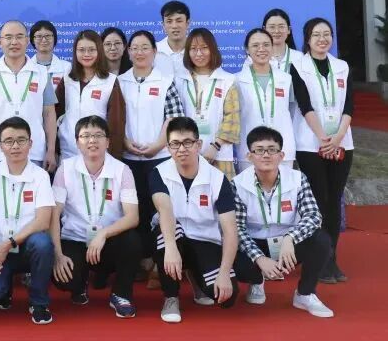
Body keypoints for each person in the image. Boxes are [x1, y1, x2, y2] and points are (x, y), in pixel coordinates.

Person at [232, 126, 333, 317]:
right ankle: (256, 281)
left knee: (322, 241)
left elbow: (313, 216)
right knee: (233, 258)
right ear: (249, 156)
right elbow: (237, 229)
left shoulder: (297, 178)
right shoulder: (238, 184)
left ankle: (305, 294)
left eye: (272, 150)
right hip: (255, 244)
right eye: (259, 150)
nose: (266, 155)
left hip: (287, 246)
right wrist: (259, 258)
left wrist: (290, 238)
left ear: (281, 155)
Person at [150, 117, 239, 324]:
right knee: (167, 233)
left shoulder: (218, 179)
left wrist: (224, 273)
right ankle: (171, 297)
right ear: (168, 147)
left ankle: (196, 277)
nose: (181, 149)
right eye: (175, 144)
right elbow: (165, 210)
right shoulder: (159, 173)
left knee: (226, 298)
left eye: (187, 142)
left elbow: (230, 231)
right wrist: (171, 247)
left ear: (198, 144)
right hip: (172, 237)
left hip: (205, 240)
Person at [51, 116, 142, 317]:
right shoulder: (65, 169)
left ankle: (121, 294)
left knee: (133, 242)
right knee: (63, 278)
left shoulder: (122, 170)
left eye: (98, 135)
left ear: (108, 142)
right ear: (77, 142)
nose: (92, 140)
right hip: (75, 239)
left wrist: (103, 234)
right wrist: (58, 255)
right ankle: (79, 284)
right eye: (85, 136)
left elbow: (132, 217)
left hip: (109, 241)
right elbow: (53, 214)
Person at [291, 18, 354, 284]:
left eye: (327, 34)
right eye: (316, 34)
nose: (322, 39)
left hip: (342, 143)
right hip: (310, 143)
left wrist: (336, 138)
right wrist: (322, 137)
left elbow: (349, 105)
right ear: (307, 39)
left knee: (334, 202)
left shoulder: (342, 66)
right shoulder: (298, 66)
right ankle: (319, 259)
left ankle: (331, 257)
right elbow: (304, 104)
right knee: (319, 201)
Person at [0, 117, 55, 325]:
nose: (15, 146)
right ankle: (5, 290)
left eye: (21, 140)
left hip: (27, 247)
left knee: (43, 243)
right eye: (9, 141)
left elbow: (43, 221)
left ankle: (39, 302)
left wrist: (9, 243)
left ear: (31, 143)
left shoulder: (40, 176)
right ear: (0, 146)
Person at [117, 30, 183, 265]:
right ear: (128, 52)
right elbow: (115, 118)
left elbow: (173, 118)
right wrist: (125, 143)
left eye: (145, 47)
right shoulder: (119, 82)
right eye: (135, 48)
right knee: (135, 208)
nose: (140, 52)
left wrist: (157, 145)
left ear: (154, 52)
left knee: (160, 209)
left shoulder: (166, 81)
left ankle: (160, 261)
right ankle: (139, 260)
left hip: (160, 157)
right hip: (128, 158)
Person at [0, 20, 58, 172]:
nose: (14, 42)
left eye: (19, 37)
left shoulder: (41, 73)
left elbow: (49, 114)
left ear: (27, 41)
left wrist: (51, 150)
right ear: (0, 42)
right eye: (8, 37)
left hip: (34, 152)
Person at [175, 28, 240, 179]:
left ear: (213, 49)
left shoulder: (227, 80)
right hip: (186, 153)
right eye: (193, 49)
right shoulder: (179, 80)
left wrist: (215, 146)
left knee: (222, 192)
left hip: (219, 153)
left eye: (204, 48)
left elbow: (232, 118)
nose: (199, 53)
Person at [56, 30, 126, 161]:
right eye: (81, 50)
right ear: (75, 52)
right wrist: (54, 149)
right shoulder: (67, 78)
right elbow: (54, 112)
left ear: (99, 51)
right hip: (67, 152)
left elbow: (116, 123)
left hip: (99, 153)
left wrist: (114, 157)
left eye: (91, 50)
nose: (86, 54)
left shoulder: (110, 81)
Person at [235, 29, 296, 172]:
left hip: (282, 149)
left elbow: (292, 111)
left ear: (272, 47)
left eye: (266, 45)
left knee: (284, 185)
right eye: (255, 45)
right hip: (249, 150)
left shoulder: (286, 79)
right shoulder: (236, 80)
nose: (261, 49)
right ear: (247, 50)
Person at [242, 8, 304, 73]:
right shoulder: (254, 58)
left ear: (289, 30)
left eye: (281, 26)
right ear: (264, 29)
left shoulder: (299, 57)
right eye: (272, 27)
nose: (277, 31)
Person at [29, 20, 71, 89]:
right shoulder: (25, 67)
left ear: (54, 39)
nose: (44, 40)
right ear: (33, 40)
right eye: (39, 36)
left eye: (48, 36)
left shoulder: (67, 67)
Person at [154, 0, 191, 76]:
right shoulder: (153, 51)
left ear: (187, 23)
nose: (174, 26)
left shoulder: (197, 51)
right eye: (169, 21)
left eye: (179, 21)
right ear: (163, 25)